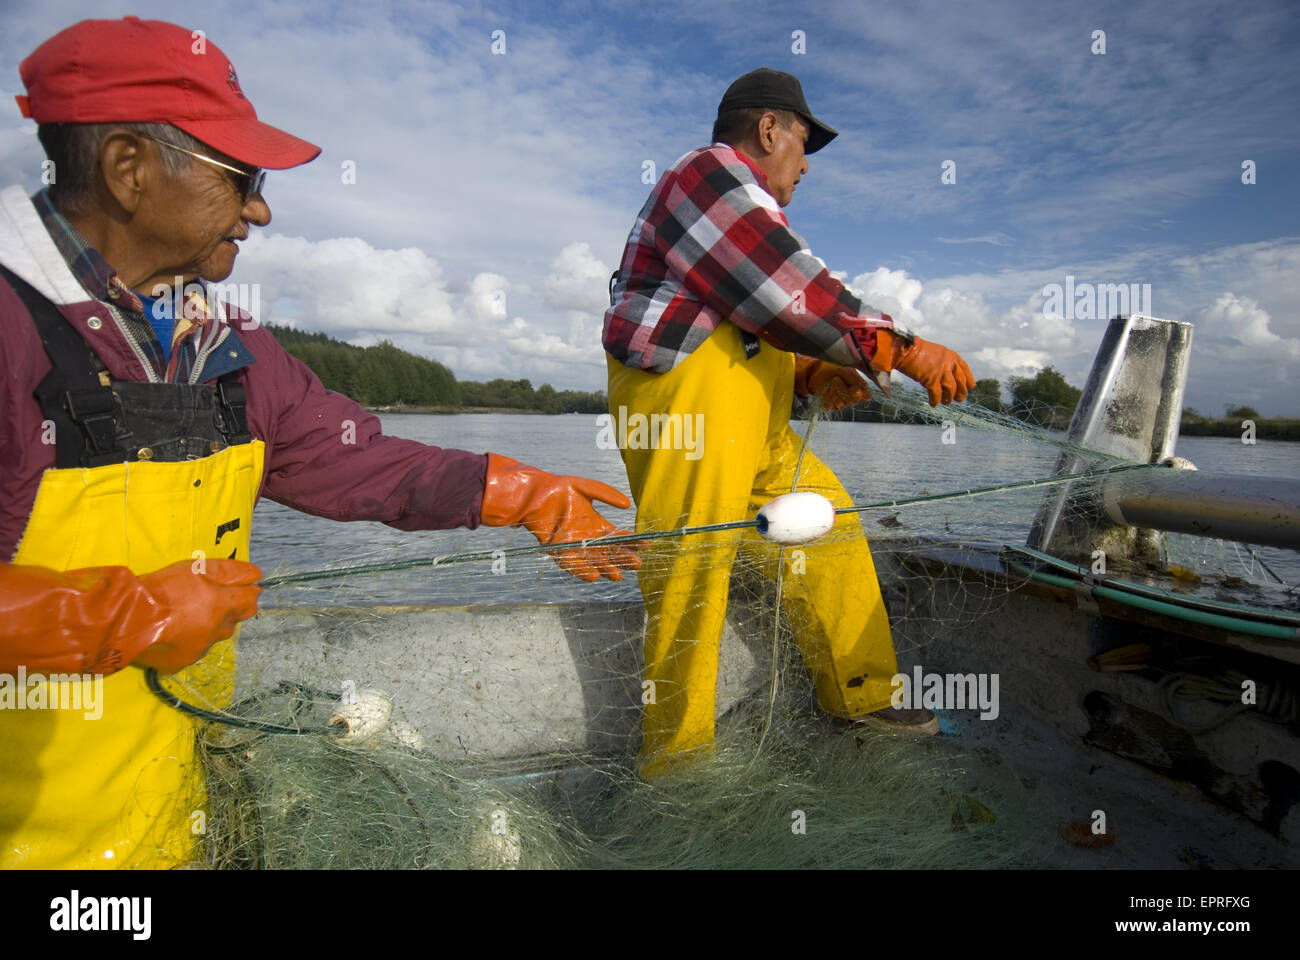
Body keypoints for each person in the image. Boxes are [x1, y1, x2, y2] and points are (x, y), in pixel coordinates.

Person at [0, 16, 639, 868]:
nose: (259, 209)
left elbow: (347, 456)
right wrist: (117, 618)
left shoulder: (226, 347)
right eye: (241, 177)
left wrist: (515, 491)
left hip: (167, 817)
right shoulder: (12, 328)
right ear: (128, 168)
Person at [603, 67, 975, 778]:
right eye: (803, 145)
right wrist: (900, 347)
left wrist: (811, 372)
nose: (805, 167)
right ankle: (676, 764)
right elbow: (784, 287)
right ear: (767, 128)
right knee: (691, 575)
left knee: (832, 524)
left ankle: (861, 696)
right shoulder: (706, 174)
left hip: (753, 430)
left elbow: (751, 321)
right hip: (686, 419)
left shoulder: (740, 215)